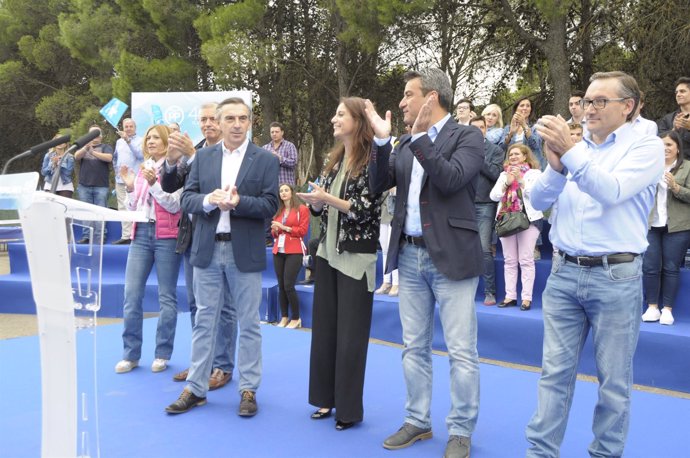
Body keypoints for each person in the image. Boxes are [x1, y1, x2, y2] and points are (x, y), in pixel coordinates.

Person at [526, 71, 664, 457]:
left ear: (629, 106)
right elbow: (536, 202)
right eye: (587, 101)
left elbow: (611, 191)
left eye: (600, 101)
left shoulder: (647, 147)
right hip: (563, 272)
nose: (589, 109)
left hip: (616, 276)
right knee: (553, 375)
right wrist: (555, 167)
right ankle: (540, 453)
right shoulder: (574, 146)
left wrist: (569, 152)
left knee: (614, 382)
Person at [365, 68, 484, 458]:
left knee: (461, 351)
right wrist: (383, 144)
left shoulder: (467, 135)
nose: (401, 103)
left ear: (431, 98)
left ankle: (461, 431)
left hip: (451, 257)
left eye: (408, 94)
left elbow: (450, 179)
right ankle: (417, 420)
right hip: (410, 257)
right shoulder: (403, 140)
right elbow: (377, 184)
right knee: (412, 346)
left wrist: (417, 138)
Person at [165, 97, 279, 417]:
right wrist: (208, 201)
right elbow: (187, 198)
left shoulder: (265, 160)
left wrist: (240, 202)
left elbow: (271, 205)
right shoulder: (202, 157)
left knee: (249, 323)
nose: (237, 124)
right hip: (207, 248)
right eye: (230, 118)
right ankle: (197, 388)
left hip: (244, 251)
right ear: (219, 121)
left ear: (250, 122)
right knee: (204, 321)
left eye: (243, 118)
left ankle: (248, 389)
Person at [296, 97, 382, 431]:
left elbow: (362, 210)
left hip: (356, 260)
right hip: (327, 257)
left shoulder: (373, 161)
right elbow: (324, 209)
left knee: (350, 339)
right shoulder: (333, 161)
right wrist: (316, 203)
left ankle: (348, 409)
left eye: (341, 114)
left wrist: (326, 198)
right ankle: (325, 399)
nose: (334, 119)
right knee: (325, 333)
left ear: (358, 121)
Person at [161, 102, 238, 391]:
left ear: (221, 121)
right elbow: (170, 186)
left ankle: (222, 365)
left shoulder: (232, 154)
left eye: (211, 119)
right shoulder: (192, 149)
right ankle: (200, 363)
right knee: (196, 304)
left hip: (225, 239)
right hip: (193, 238)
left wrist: (193, 157)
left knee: (225, 307)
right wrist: (170, 159)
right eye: (203, 119)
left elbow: (219, 186)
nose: (207, 124)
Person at [114, 125, 182, 374]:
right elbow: (135, 207)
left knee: (167, 297)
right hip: (140, 234)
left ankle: (162, 353)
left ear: (166, 142)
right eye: (148, 138)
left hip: (167, 237)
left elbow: (174, 206)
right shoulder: (143, 168)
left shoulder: (176, 168)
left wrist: (154, 184)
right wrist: (132, 187)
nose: (151, 141)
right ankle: (130, 354)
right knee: (131, 295)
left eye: (156, 137)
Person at [642, 131, 690, 326]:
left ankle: (667, 310)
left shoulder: (687, 167)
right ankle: (652, 307)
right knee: (650, 267)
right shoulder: (649, 167)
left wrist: (676, 187)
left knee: (671, 268)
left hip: (677, 225)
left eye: (669, 145)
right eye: (661, 145)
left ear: (678, 147)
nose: (665, 149)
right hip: (651, 224)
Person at [490, 144, 543, 311]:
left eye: (517, 154)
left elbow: (536, 196)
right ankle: (510, 296)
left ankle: (526, 298)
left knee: (526, 260)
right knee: (509, 260)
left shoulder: (535, 174)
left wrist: (520, 181)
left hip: (529, 220)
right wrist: (507, 183)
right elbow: (493, 196)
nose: (512, 157)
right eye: (510, 154)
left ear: (525, 156)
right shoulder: (503, 175)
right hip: (506, 221)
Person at [470, 116, 504, 305]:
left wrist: (479, 158)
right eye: (474, 128)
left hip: (485, 205)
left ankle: (489, 291)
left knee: (484, 249)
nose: (478, 131)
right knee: (463, 249)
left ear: (485, 130)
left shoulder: (495, 150)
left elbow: (495, 174)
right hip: (463, 205)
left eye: (481, 128)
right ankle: (463, 292)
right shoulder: (460, 149)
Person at [271, 183, 309, 328]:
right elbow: (275, 233)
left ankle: (296, 318)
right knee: (281, 285)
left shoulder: (302, 209)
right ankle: (284, 317)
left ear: (292, 192)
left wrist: (284, 227)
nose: (283, 193)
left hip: (294, 251)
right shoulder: (279, 211)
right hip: (278, 250)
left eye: (286, 190)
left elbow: (302, 231)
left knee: (288, 285)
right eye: (281, 191)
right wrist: (275, 229)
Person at [74, 125, 113, 244]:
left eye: (97, 134)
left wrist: (93, 152)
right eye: (92, 134)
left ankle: (100, 236)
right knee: (86, 212)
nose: (95, 137)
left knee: (101, 211)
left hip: (101, 185)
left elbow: (109, 158)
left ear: (100, 136)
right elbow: (76, 156)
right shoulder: (83, 147)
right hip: (84, 184)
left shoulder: (106, 147)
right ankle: (87, 236)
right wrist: (86, 148)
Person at [112, 118, 144, 245]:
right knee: (122, 207)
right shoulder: (119, 142)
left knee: (136, 206)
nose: (128, 128)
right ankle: (126, 235)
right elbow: (115, 158)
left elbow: (140, 155)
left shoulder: (141, 140)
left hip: (136, 179)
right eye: (126, 126)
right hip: (121, 180)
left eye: (131, 126)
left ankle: (136, 235)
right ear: (123, 128)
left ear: (135, 128)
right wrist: (116, 172)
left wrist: (128, 140)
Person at [501, 96, 544, 169]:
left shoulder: (537, 125)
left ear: (531, 109)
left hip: (533, 167)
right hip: (513, 168)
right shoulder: (507, 128)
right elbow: (502, 148)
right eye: (522, 105)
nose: (525, 108)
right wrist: (511, 133)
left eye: (528, 106)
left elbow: (536, 145)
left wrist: (524, 125)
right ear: (516, 109)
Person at [374, 187, 399, 296]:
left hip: (396, 212)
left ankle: (397, 283)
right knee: (385, 248)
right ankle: (386, 281)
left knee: (392, 248)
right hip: (383, 211)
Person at [657, 76, 690, 157]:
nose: (678, 94)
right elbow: (660, 144)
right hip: (676, 166)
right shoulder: (667, 119)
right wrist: (674, 130)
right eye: (676, 92)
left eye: (682, 91)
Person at [262, 122, 298, 186]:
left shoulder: (289, 146)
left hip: (286, 187)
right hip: (270, 186)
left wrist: (280, 158)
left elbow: (294, 163)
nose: (274, 134)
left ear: (282, 132)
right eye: (272, 132)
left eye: (276, 132)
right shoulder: (265, 148)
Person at [40, 134, 74, 198]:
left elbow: (68, 173)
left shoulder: (70, 157)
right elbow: (43, 172)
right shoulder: (48, 155)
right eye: (57, 141)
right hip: (50, 185)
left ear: (66, 144)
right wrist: (53, 164)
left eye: (62, 141)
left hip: (65, 186)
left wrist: (59, 163)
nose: (59, 143)